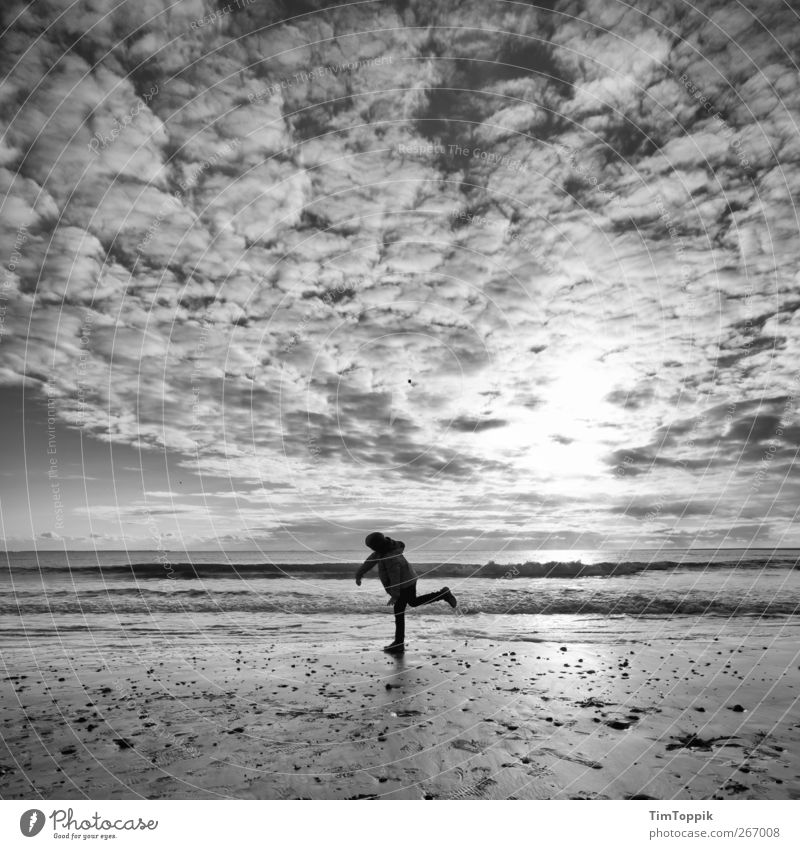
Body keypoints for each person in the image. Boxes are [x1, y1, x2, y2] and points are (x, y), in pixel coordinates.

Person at [355, 532, 457, 654]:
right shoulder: (383, 551)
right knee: (412, 602)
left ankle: (399, 643)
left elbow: (395, 577)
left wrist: (395, 595)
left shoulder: (391, 558)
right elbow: (371, 560)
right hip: (408, 579)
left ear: (377, 546)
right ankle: (443, 594)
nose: (371, 549)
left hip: (404, 583)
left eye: (372, 547)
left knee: (399, 610)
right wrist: (359, 573)